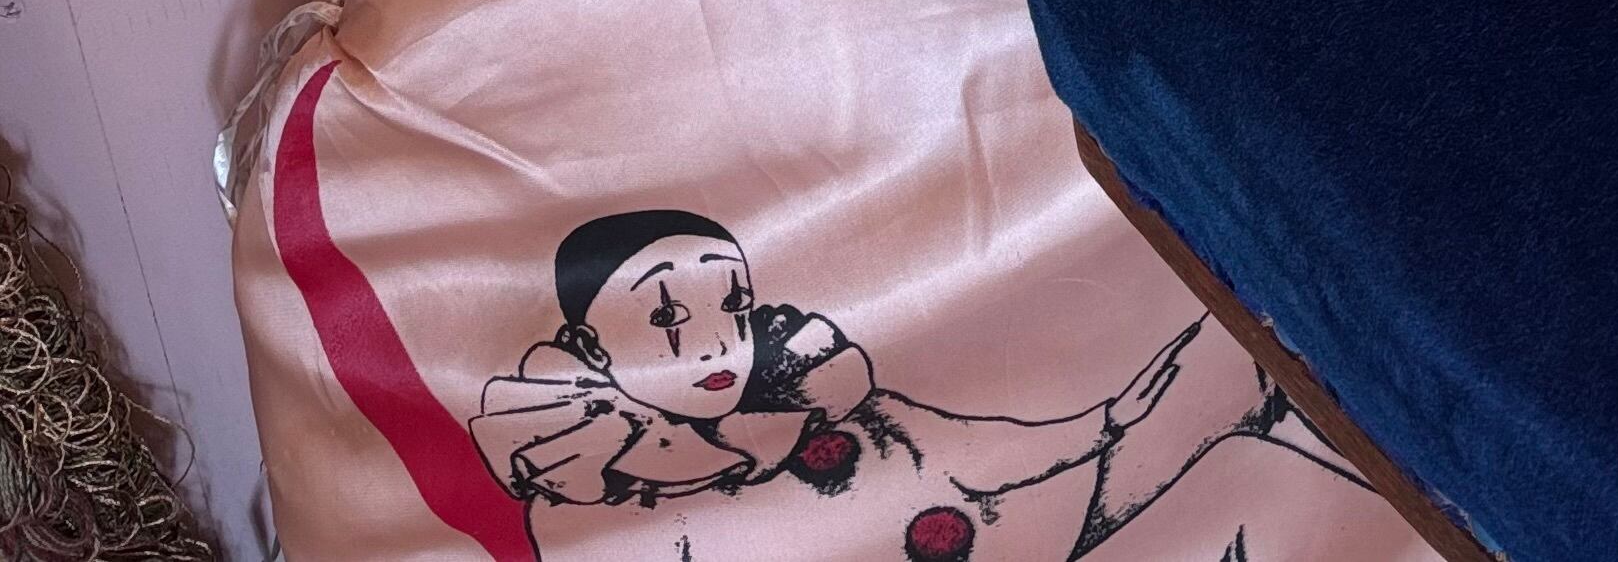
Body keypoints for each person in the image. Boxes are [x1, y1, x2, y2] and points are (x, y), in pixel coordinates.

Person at [469, 206, 1358, 561]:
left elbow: (969, 448)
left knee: (1245, 365)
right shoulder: (601, 488)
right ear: (588, 346)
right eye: (666, 316)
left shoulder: (816, 398)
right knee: (1251, 460)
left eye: (730, 304)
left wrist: (1103, 422)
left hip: (1050, 522)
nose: (712, 341)